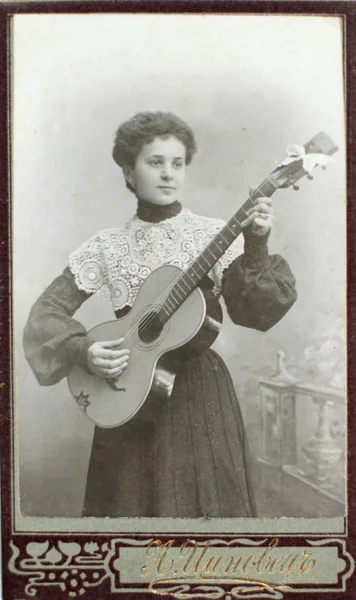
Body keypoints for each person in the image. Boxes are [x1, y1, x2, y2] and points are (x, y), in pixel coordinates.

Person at [23, 112, 297, 518]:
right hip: (126, 394)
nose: (168, 174)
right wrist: (84, 351)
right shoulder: (107, 246)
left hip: (200, 398)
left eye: (177, 163)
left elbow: (254, 311)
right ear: (129, 173)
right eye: (155, 163)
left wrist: (256, 243)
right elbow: (45, 313)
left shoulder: (211, 234)